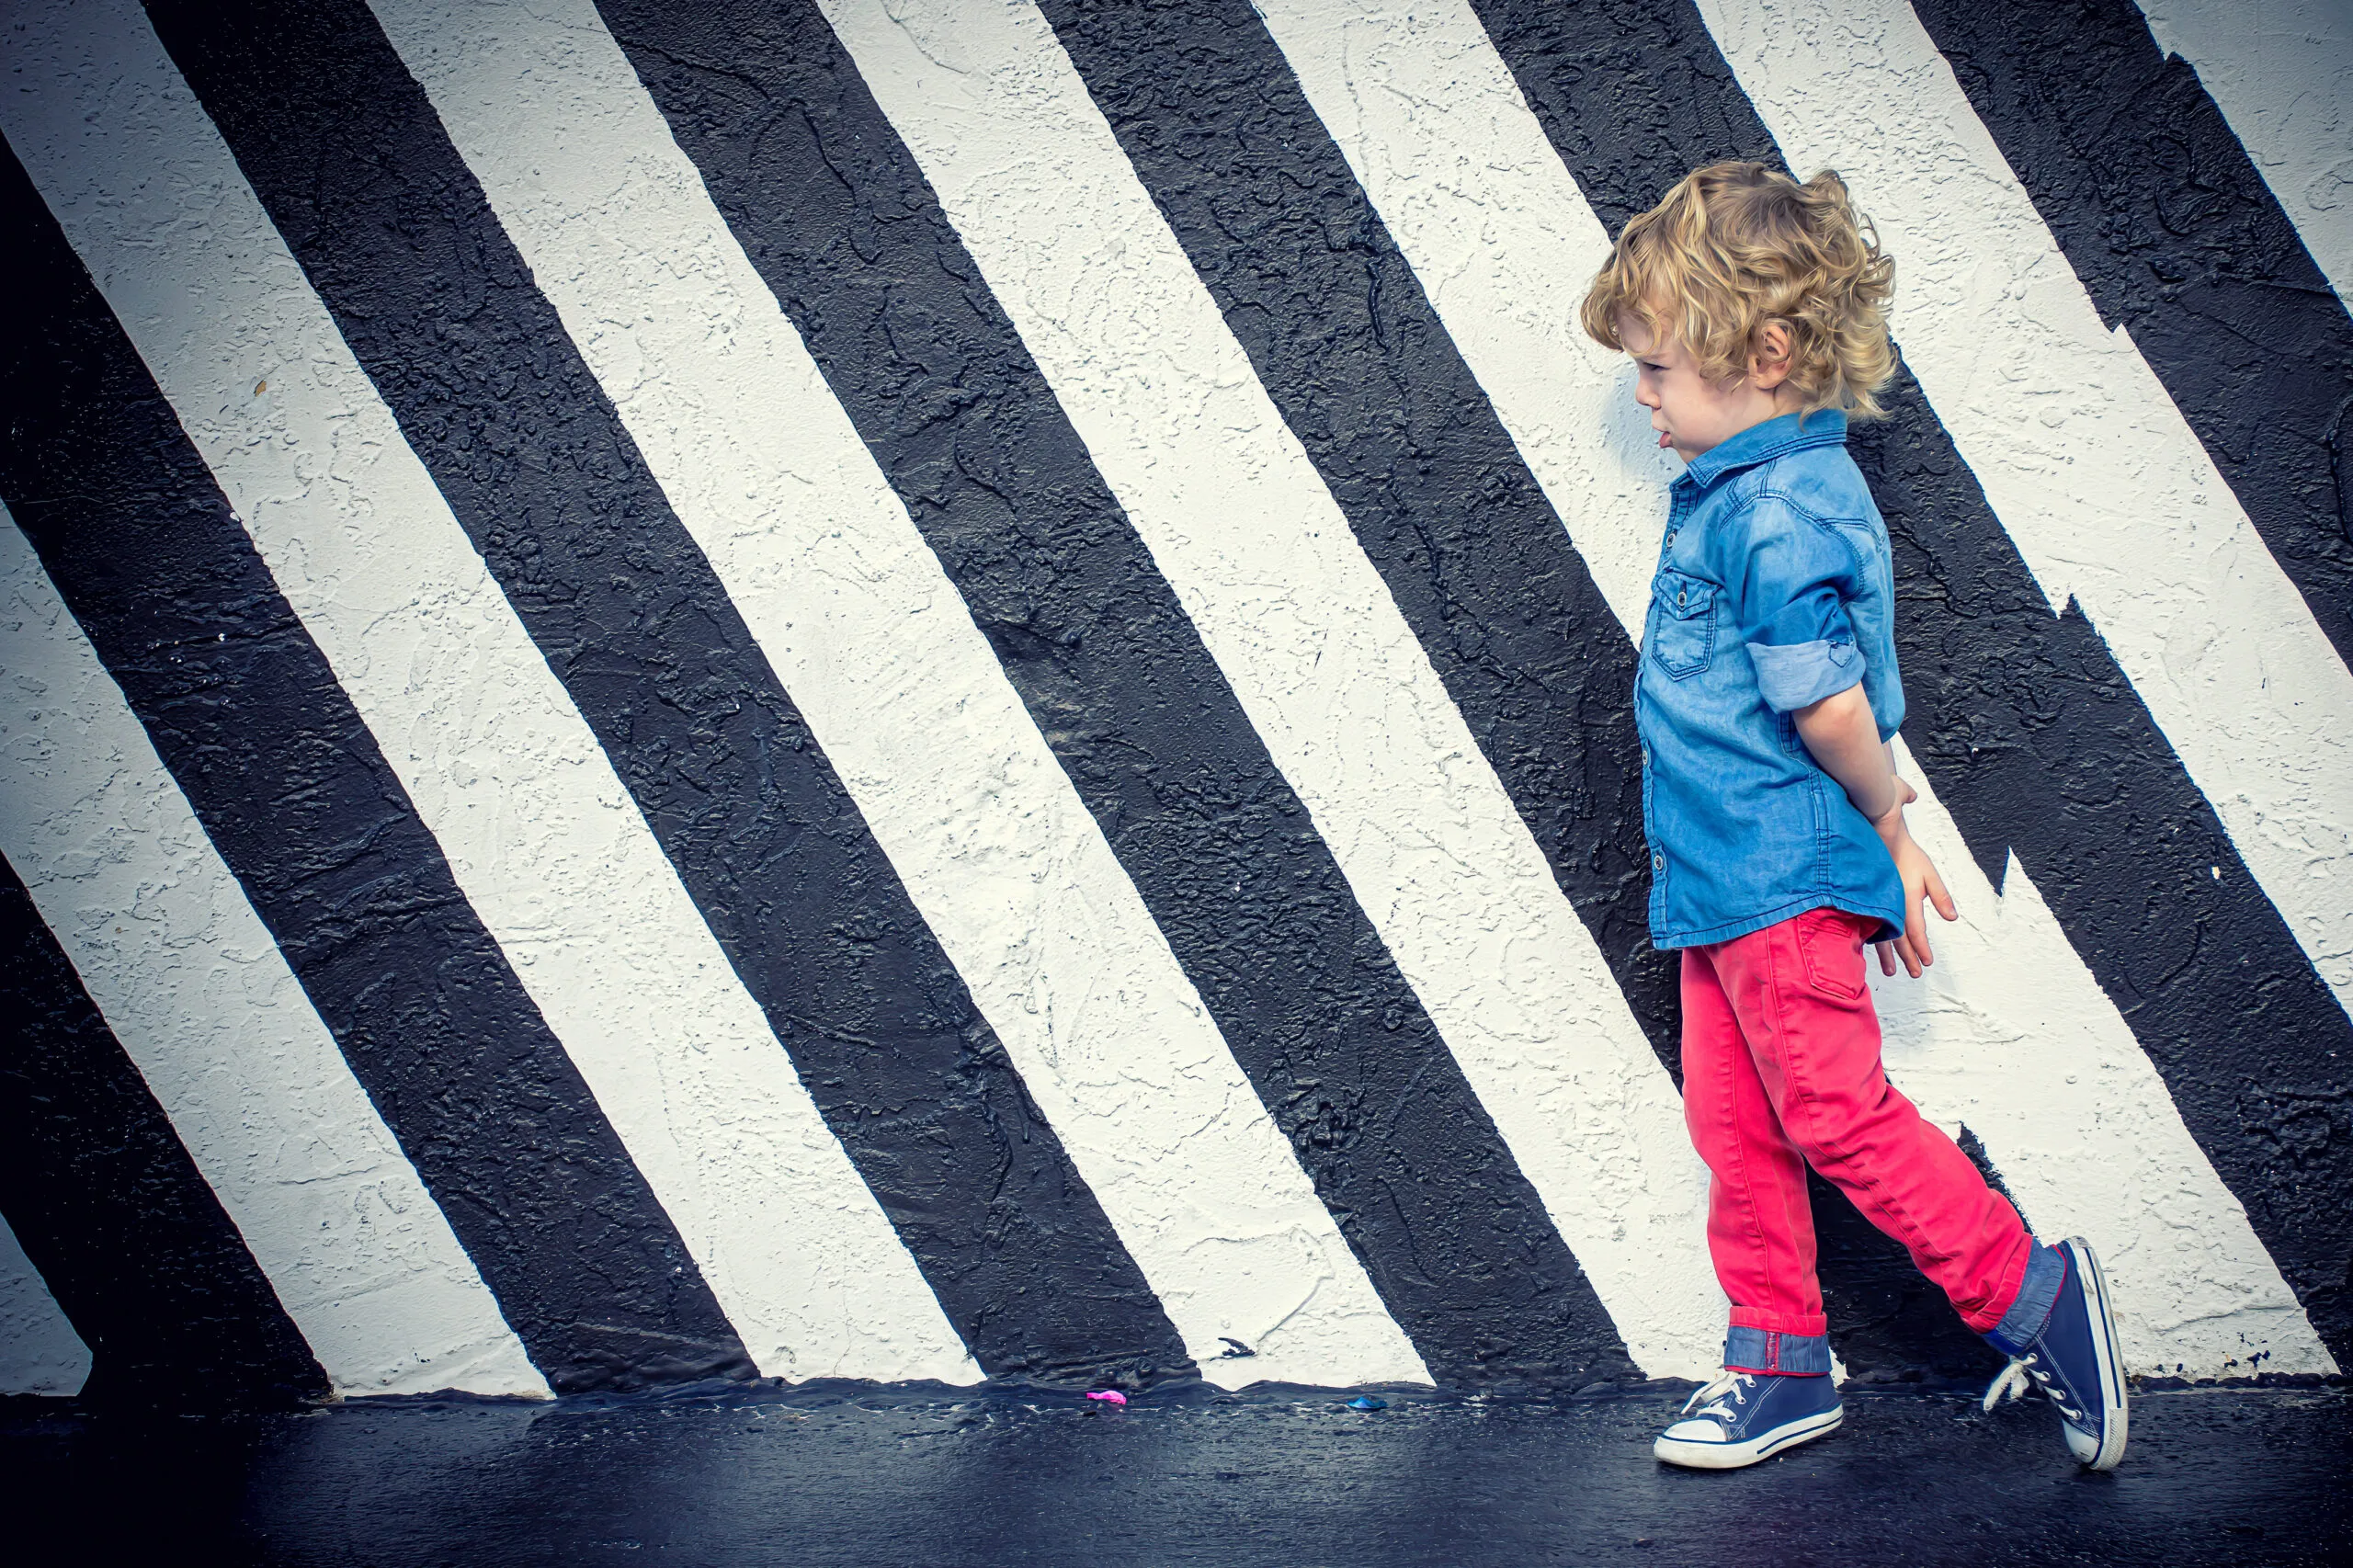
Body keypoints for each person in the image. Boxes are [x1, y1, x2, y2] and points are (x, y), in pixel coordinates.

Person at [1579, 162, 2127, 1471]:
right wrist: (1878, 834)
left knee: (1830, 1112)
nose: (1643, 396)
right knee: (1740, 1126)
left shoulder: (1774, 507)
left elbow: (1827, 705)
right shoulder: (1741, 493)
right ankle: (1776, 1361)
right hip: (1720, 877)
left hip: (1771, 873)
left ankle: (2035, 1298)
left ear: (1765, 353)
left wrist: (1888, 817)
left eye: (1657, 368)